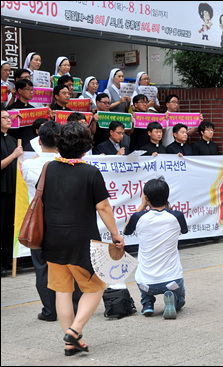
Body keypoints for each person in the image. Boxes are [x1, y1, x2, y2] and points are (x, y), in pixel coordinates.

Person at [41, 121, 124, 356]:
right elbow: (104, 207)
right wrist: (116, 235)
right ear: (86, 147)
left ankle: (70, 343)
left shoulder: (49, 169)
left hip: (53, 238)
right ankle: (74, 331)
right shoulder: (90, 172)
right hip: (82, 241)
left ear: (60, 144)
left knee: (63, 291)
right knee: (96, 286)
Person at [21, 121, 82, 321]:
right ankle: (73, 307)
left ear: (39, 141)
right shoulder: (67, 163)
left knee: (42, 267)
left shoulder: (29, 163)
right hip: (64, 222)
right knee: (69, 265)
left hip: (39, 223)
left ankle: (50, 310)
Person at [124, 177, 188, 319]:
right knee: (181, 298)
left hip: (146, 284)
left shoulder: (138, 217)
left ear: (146, 198)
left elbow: (126, 230)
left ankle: (147, 304)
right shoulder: (177, 216)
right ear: (167, 197)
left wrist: (141, 206)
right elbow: (184, 231)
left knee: (144, 280)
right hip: (172, 282)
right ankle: (174, 300)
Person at [1, 108, 24, 276]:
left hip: (12, 189)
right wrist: (14, 155)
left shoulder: (12, 139)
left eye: (9, 117)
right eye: (4, 117)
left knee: (10, 227)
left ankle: (7, 260)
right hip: (1, 189)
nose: (9, 120)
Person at [6, 79, 37, 148]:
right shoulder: (12, 109)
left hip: (31, 144)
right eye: (28, 89)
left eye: (32, 90)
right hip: (15, 144)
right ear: (20, 91)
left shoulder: (33, 109)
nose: (31, 92)